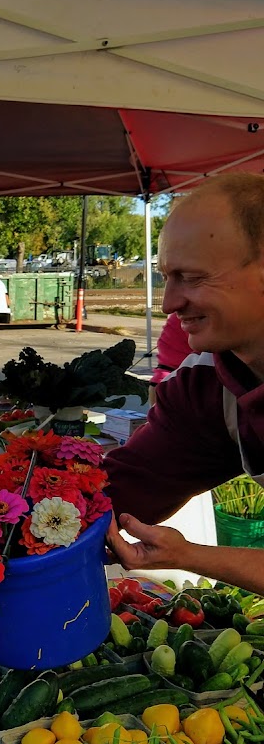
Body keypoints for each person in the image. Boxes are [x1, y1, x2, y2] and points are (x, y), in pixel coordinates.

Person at [104, 173, 264, 592]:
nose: (169, 303)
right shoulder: (206, 385)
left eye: (191, 278)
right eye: (166, 277)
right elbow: (121, 491)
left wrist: (190, 555)